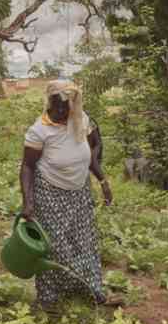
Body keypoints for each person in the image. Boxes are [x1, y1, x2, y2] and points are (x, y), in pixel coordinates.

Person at [20, 80, 116, 310]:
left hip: (80, 192)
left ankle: (92, 291)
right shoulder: (39, 131)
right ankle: (50, 298)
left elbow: (92, 154)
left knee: (84, 243)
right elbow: (27, 167)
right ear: (49, 103)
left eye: (66, 106)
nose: (61, 111)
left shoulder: (80, 120)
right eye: (57, 106)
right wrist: (28, 201)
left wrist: (103, 181)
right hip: (50, 193)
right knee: (56, 247)